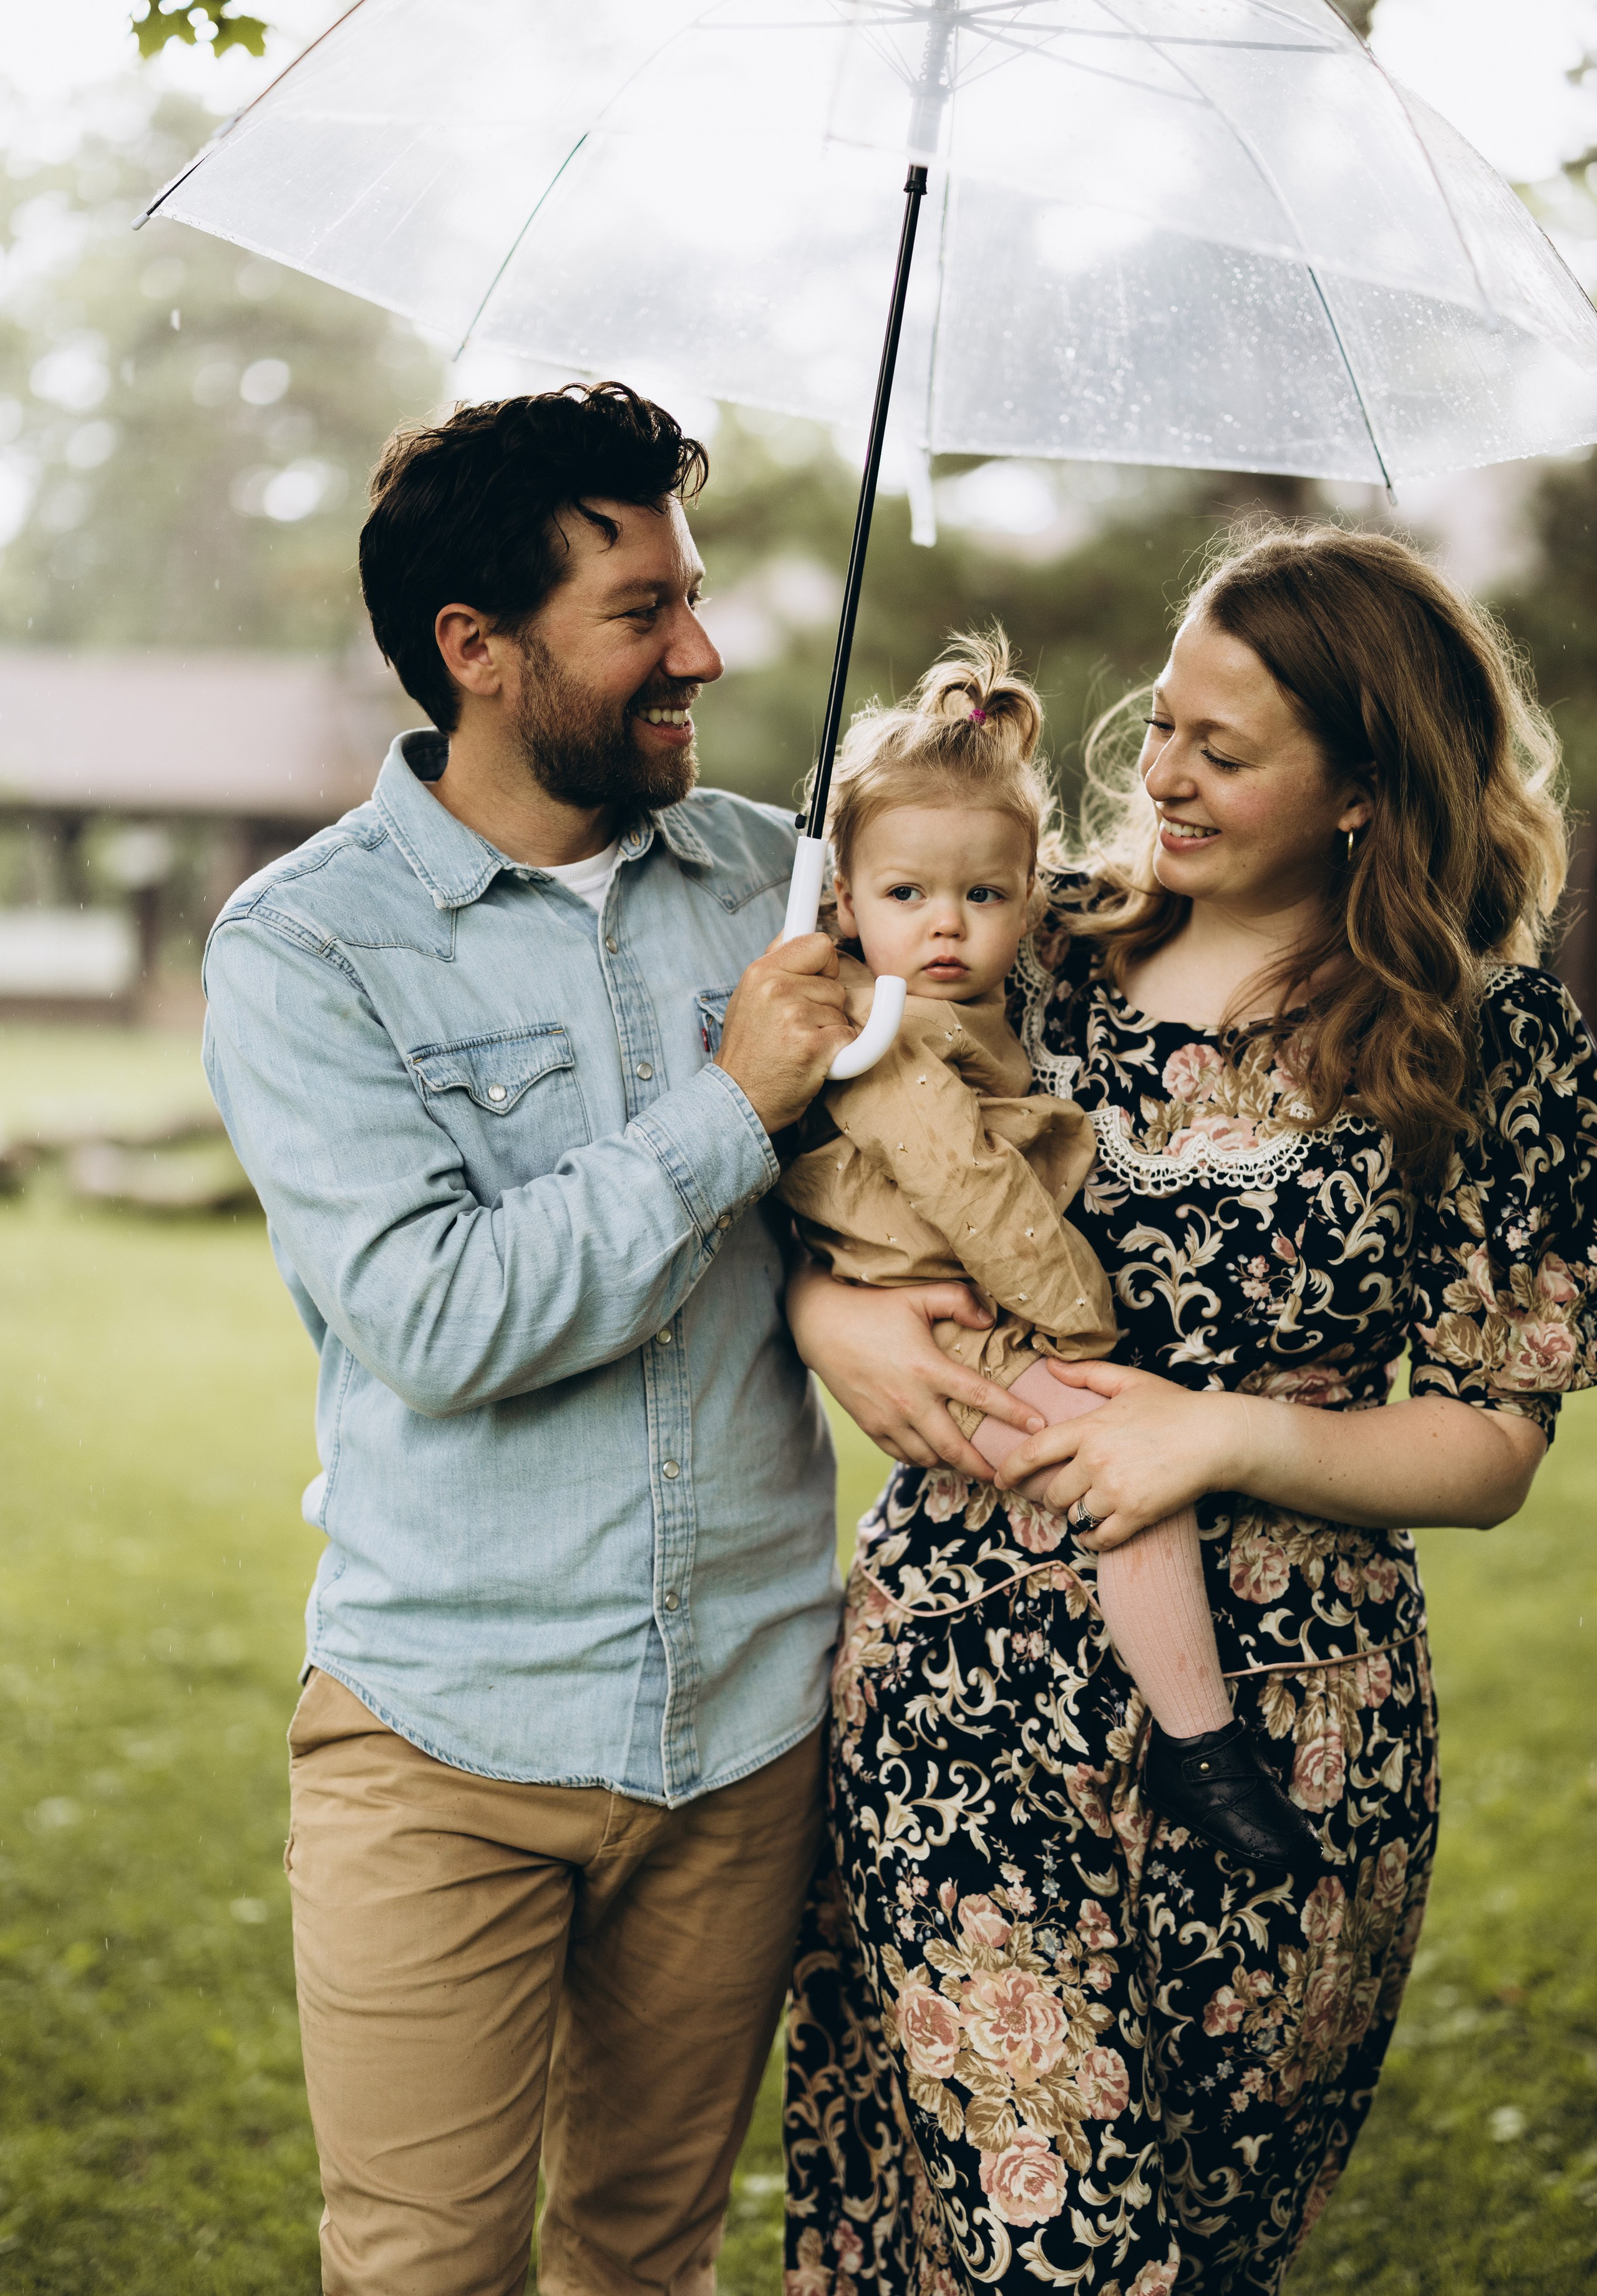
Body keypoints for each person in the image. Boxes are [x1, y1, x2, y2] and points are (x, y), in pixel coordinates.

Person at [203, 382, 993, 2296]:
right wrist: (733, 1104)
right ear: (476, 650)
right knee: (423, 2268)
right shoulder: (304, 951)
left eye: (693, 597)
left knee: (648, 2255)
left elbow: (952, 1083)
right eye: (641, 611)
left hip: (742, 1725)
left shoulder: (774, 883)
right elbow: (439, 1317)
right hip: (443, 1737)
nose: (703, 651)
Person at [783, 525, 1596, 2295]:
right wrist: (825, 1308)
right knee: (1045, 2248)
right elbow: (834, 1143)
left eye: (1224, 751)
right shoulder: (1021, 946)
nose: (1158, 775)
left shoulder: (1486, 1040)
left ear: (1369, 786)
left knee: (1212, 2247)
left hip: (1296, 1733)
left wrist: (1220, 1433)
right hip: (969, 1688)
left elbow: (1493, 1441)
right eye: (1162, 724)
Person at [780, 631, 1319, 1870]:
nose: (948, 927)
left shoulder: (972, 998)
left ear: (1032, 896)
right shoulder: (885, 1033)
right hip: (964, 1311)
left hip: (959, 1303)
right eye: (905, 896)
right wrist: (1077, 1325)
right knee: (1126, 1481)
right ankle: (1199, 1739)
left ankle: (1191, 1738)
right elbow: (975, 1197)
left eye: (983, 896)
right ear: (845, 897)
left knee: (1120, 1482)